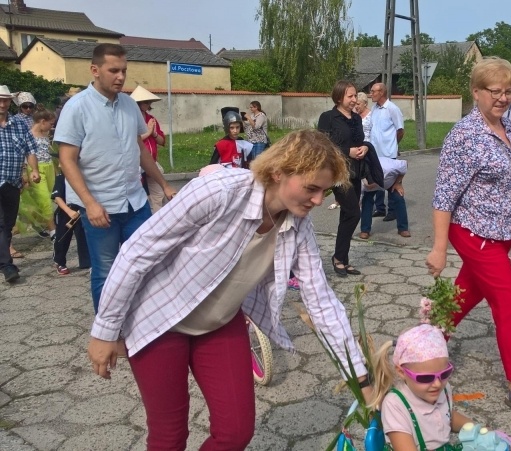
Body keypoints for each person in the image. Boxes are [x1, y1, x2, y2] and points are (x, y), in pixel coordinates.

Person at [87, 130, 373, 450]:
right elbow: (136, 252)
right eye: (312, 188)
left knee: (236, 431)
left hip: (219, 323)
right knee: (169, 436)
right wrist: (105, 330)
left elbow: (321, 302)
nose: (319, 200)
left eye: (324, 191)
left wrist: (359, 376)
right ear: (279, 172)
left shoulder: (297, 226)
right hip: (159, 319)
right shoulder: (218, 193)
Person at [426, 57, 511, 421]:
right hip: (472, 232)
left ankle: (419, 349)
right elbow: (444, 196)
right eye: (494, 91)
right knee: (509, 301)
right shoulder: (464, 135)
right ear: (476, 92)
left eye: (508, 91)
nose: (502, 98)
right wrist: (438, 249)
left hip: (502, 234)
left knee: (461, 300)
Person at [54, 43, 177, 312]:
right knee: (106, 271)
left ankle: (143, 320)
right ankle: (108, 332)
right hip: (101, 207)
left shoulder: (129, 106)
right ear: (95, 70)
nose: (120, 76)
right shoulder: (77, 108)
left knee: (148, 262)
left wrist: (165, 185)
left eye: (123, 70)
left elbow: (140, 149)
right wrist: (90, 203)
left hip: (135, 202)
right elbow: (67, 160)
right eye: (113, 70)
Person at [370, 324, 471, 450]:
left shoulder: (442, 388)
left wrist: (477, 429)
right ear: (402, 372)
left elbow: (446, 415)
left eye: (444, 374)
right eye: (426, 378)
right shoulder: (395, 404)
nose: (437, 383)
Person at [317, 80, 369, 277]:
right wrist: (348, 152)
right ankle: (338, 257)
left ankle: (343, 260)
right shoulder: (328, 117)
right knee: (354, 213)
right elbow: (322, 146)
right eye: (351, 96)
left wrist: (364, 147)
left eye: (356, 95)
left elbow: (359, 140)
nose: (355, 99)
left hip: (354, 171)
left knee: (347, 216)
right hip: (338, 173)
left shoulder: (355, 118)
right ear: (339, 97)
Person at [0, 85, 40, 283]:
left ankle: (4, 259)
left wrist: (33, 170)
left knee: (8, 223)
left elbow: (30, 149)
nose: (2, 104)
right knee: (0, 223)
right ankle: (7, 266)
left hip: (13, 180)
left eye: (5, 100)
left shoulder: (19, 124)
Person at [17, 105, 57, 239]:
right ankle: (53, 231)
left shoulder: (45, 134)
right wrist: (24, 174)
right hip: (35, 169)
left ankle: (37, 223)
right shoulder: (28, 135)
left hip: (49, 167)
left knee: (49, 197)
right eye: (50, 124)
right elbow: (24, 154)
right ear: (42, 122)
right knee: (44, 198)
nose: (51, 127)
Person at [368, 82, 404, 221]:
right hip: (375, 152)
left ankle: (393, 211)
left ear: (381, 92)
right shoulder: (374, 109)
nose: (371, 94)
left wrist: (393, 144)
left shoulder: (392, 109)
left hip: (389, 153)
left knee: (391, 183)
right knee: (377, 181)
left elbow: (400, 131)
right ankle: (380, 208)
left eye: (373, 91)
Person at [130, 86, 167, 213]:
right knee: (140, 195)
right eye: (146, 102)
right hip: (137, 163)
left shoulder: (151, 119)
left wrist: (154, 133)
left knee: (158, 194)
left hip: (152, 161)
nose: (148, 104)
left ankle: (159, 218)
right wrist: (149, 131)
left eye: (149, 102)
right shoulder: (130, 118)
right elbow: (133, 140)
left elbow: (162, 141)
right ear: (138, 103)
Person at [359, 156, 410, 239]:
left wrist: (398, 183)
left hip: (390, 182)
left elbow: (405, 164)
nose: (370, 187)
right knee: (366, 202)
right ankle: (365, 230)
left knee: (399, 198)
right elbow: (358, 202)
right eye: (368, 185)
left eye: (371, 185)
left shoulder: (390, 167)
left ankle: (403, 228)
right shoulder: (362, 183)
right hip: (373, 184)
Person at [51, 173, 90, 275]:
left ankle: (86, 261)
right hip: (66, 210)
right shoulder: (61, 177)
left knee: (83, 236)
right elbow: (57, 197)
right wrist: (69, 211)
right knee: (62, 238)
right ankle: (60, 262)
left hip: (82, 209)